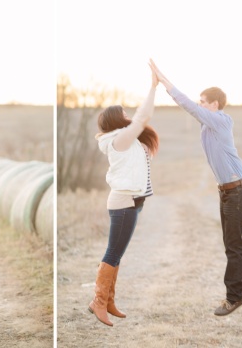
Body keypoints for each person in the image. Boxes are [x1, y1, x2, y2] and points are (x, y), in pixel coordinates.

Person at [150, 59, 242, 317]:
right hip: (228, 191)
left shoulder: (220, 121)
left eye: (203, 101)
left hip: (237, 191)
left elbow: (187, 105)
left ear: (214, 105)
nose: (199, 104)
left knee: (232, 245)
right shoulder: (210, 125)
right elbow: (193, 111)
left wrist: (163, 80)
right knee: (232, 242)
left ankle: (233, 298)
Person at [88, 59, 160, 327]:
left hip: (132, 202)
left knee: (117, 253)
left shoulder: (123, 139)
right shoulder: (119, 140)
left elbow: (141, 122)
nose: (130, 116)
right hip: (123, 203)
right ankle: (98, 302)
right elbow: (144, 117)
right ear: (118, 121)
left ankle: (108, 301)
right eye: (125, 113)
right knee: (113, 252)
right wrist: (153, 87)